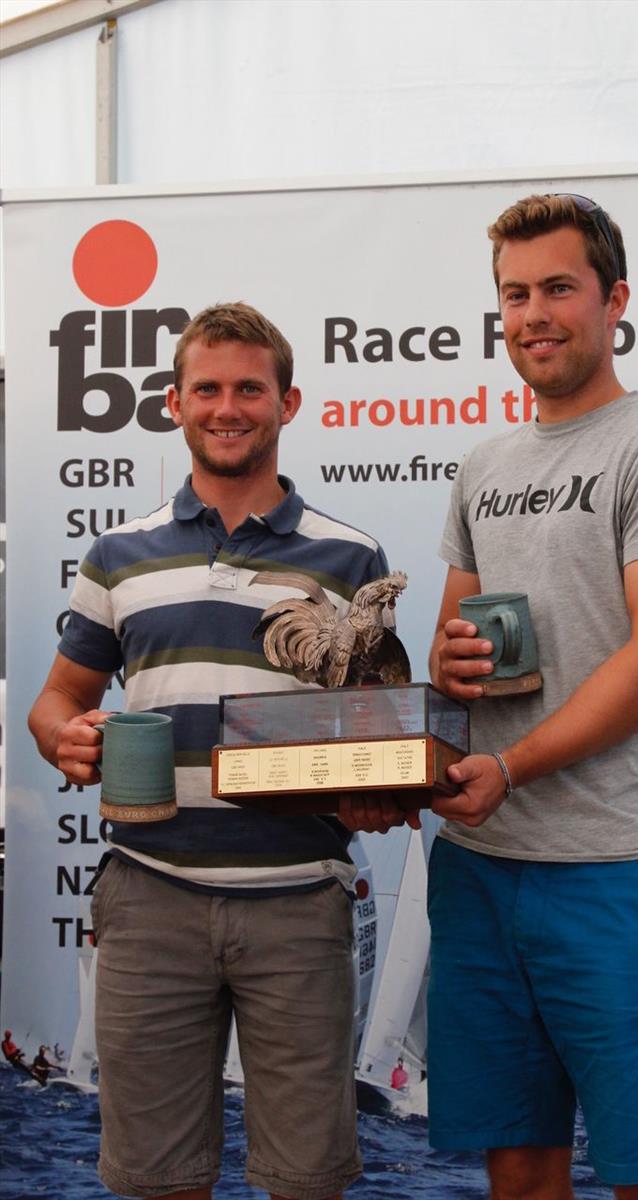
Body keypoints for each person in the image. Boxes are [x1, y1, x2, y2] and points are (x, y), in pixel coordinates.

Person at [29, 302, 408, 1200]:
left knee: (307, 1182)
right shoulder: (117, 556)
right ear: (174, 402)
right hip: (148, 898)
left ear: (289, 403)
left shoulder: (352, 558)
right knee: (156, 1182)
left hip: (299, 904)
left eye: (250, 388)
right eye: (208, 388)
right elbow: (58, 701)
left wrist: (380, 791)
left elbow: (383, 734)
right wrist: (67, 740)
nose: (228, 406)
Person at [427, 195, 638, 1200]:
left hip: (611, 872)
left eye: (557, 287)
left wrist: (508, 766)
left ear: (614, 301)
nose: (532, 313)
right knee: (516, 1168)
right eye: (513, 294)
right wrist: (448, 671)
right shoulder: (482, 465)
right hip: (478, 871)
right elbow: (448, 645)